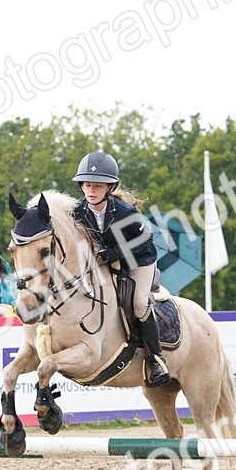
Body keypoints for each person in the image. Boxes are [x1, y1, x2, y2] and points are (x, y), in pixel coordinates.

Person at [69, 150, 169, 387]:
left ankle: (156, 359)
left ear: (110, 188)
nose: (91, 191)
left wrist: (115, 252)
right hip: (103, 262)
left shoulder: (125, 212)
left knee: (138, 302)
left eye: (97, 186)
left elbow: (144, 239)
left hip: (138, 260)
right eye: (87, 185)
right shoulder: (77, 212)